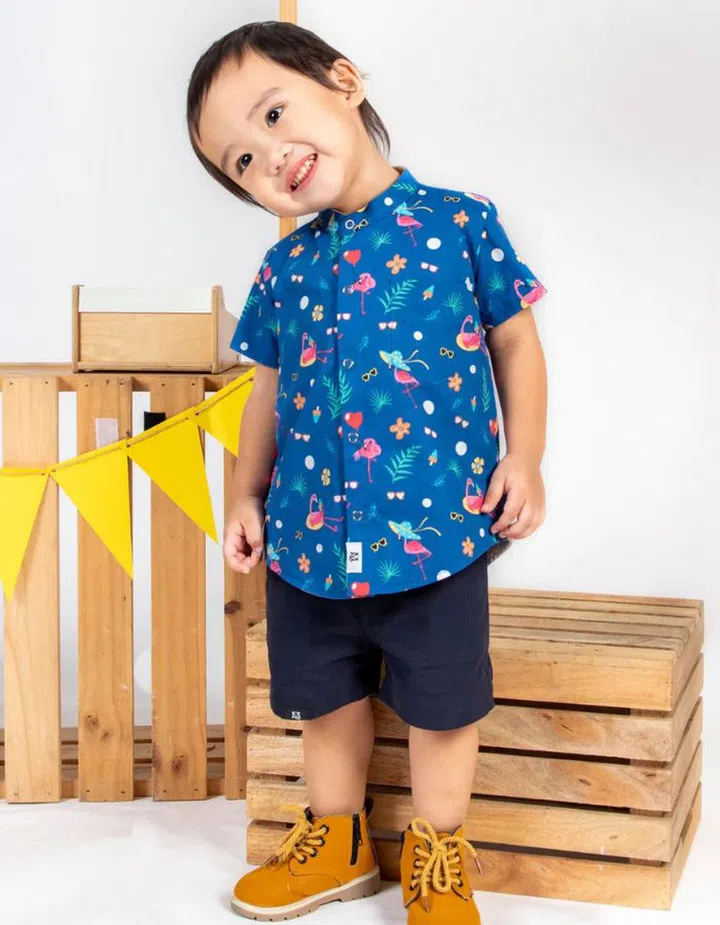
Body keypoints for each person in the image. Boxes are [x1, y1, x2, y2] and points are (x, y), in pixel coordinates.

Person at [187, 19, 547, 924]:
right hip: (308, 537)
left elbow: (515, 340)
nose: (270, 155)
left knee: (443, 704)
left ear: (343, 82)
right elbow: (265, 393)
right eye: (242, 161)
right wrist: (244, 492)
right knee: (325, 698)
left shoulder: (459, 221)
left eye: (274, 114)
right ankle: (339, 842)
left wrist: (526, 456)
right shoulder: (282, 267)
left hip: (438, 528)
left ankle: (437, 852)